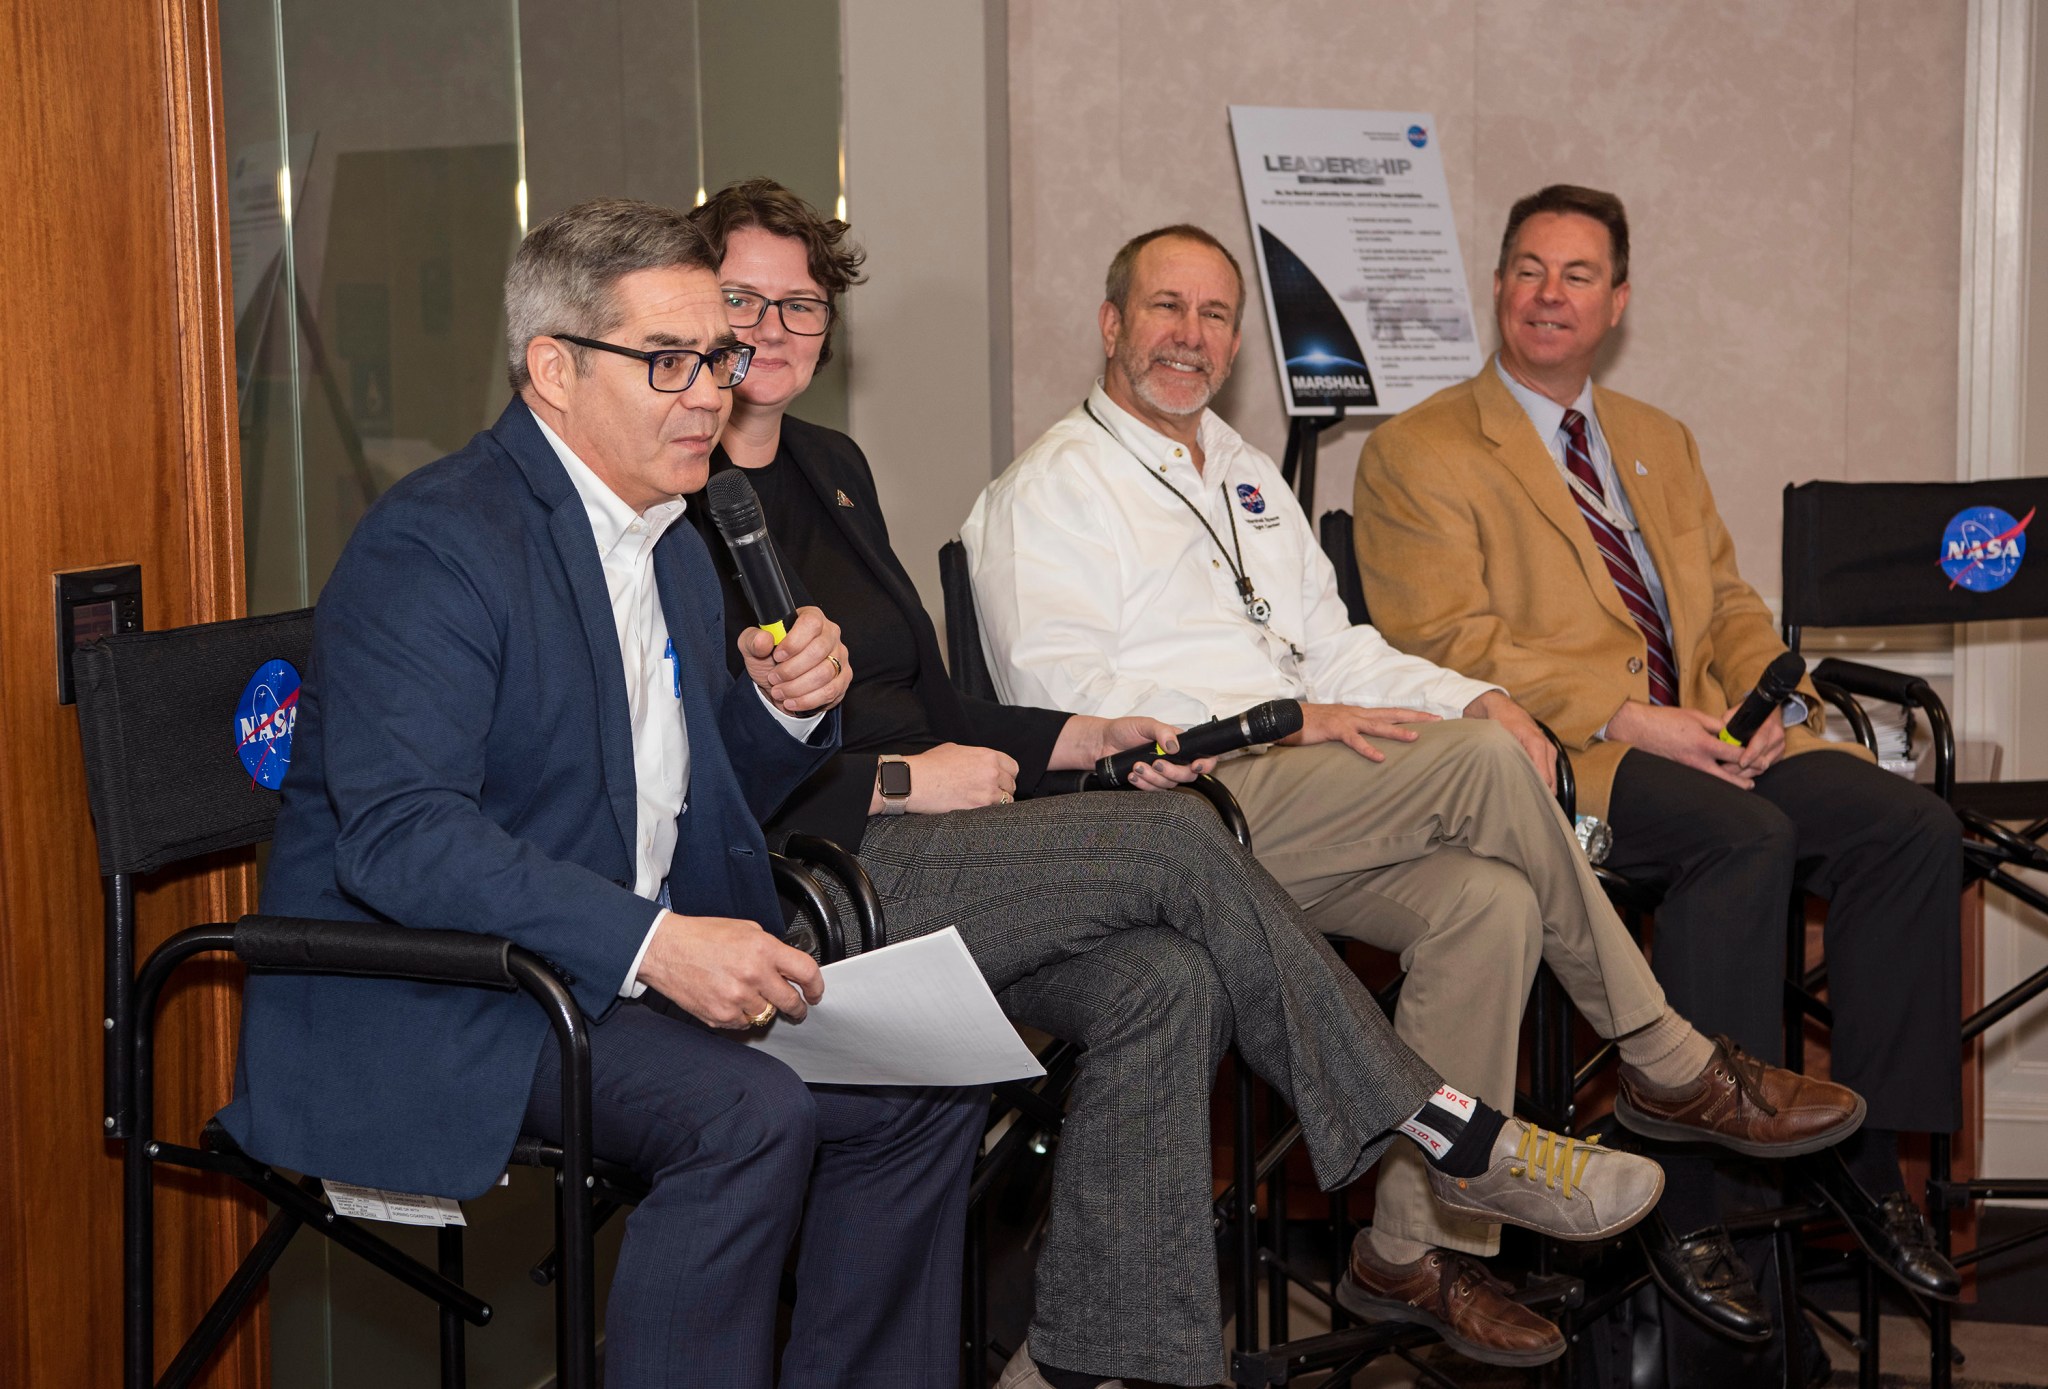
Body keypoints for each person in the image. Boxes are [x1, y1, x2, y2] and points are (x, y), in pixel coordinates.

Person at [686, 181, 1667, 1386]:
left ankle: (1090, 1363)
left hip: (958, 856)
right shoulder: (668, 501)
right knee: (1175, 845)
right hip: (816, 877)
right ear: (687, 309)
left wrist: (1082, 734)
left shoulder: (830, 466)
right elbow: (687, 762)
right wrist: (892, 780)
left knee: (1171, 977)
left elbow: (938, 703)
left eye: (800, 301)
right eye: (743, 299)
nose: (775, 326)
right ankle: (1445, 1124)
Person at [961, 222, 1868, 1356]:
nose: (1187, 338)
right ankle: (1661, 1054)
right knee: (1491, 768)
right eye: (1162, 309)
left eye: (1212, 317)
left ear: (1235, 340)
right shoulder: (1047, 491)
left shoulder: (1239, 476)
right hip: (1173, 815)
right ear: (1110, 324)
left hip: (1297, 798)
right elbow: (1068, 710)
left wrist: (1474, 695)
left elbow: (1336, 649)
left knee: (1486, 897)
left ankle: (1405, 1249)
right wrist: (1292, 721)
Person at [220, 199, 991, 1388]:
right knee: (745, 1119)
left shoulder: (670, 538)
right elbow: (400, 840)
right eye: (669, 361)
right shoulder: (436, 545)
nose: (712, 394)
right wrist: (655, 946)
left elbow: (685, 791)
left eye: (718, 359)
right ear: (553, 371)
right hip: (448, 986)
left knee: (917, 1096)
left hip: (599, 974)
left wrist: (783, 710)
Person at [1354, 183, 1964, 1303]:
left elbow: (1724, 604)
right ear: (1496, 287)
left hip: (1708, 742)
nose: (1548, 294)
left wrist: (1765, 702)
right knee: (1738, 839)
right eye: (1528, 269)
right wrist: (1630, 716)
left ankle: (1874, 1178)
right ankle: (1699, 1208)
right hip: (1561, 761)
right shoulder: (1418, 450)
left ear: (1616, 303)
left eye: (1576, 275)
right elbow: (1439, 640)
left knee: (1909, 829)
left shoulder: (1654, 440)